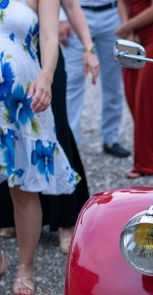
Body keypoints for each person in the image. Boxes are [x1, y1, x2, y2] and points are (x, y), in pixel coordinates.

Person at [0, 0, 97, 253]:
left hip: (34, 69)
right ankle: (8, 220)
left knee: (55, 138)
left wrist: (88, 48)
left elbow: (72, 8)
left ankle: (65, 220)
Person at [63, 0, 131, 158]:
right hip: (77, 11)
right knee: (73, 81)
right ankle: (70, 143)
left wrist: (126, 22)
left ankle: (111, 137)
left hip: (111, 13)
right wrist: (61, 18)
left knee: (113, 82)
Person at [116, 0, 153, 178]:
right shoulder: (128, 31)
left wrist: (126, 27)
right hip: (132, 40)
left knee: (148, 100)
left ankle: (147, 162)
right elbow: (121, 2)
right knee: (133, 96)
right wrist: (128, 32)